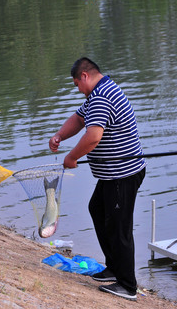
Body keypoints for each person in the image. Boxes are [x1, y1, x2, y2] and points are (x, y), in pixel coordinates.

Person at [49, 57, 146, 301]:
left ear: (84, 76)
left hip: (122, 174)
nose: (77, 90)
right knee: (97, 209)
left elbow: (93, 137)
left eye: (76, 84)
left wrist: (71, 157)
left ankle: (127, 285)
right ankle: (114, 267)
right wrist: (60, 135)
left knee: (119, 227)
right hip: (111, 174)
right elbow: (80, 119)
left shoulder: (102, 96)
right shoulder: (96, 94)